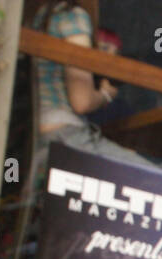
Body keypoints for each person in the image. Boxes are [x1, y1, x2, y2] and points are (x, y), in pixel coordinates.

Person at [30, 2, 145, 166]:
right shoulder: (73, 17)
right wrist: (106, 94)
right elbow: (82, 102)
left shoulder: (42, 15)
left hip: (42, 136)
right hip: (65, 134)